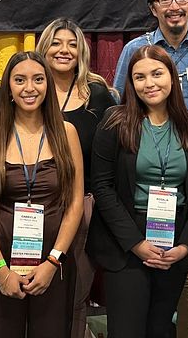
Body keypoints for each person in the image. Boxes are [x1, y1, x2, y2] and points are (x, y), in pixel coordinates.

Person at [112, 0, 188, 337]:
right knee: (141, 263)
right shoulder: (136, 50)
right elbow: (120, 102)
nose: (174, 6)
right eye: (165, 0)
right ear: (153, 8)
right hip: (141, 170)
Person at [89, 45, 188, 338]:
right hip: (126, 242)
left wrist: (186, 246)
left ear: (172, 76)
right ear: (131, 83)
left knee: (159, 329)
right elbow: (102, 187)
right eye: (140, 77)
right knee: (127, 331)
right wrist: (135, 243)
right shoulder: (114, 122)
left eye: (157, 74)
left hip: (174, 242)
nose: (149, 83)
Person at [0, 51, 84, 338]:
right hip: (0, 259)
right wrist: (0, 270)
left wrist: (53, 262)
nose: (29, 88)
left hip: (53, 261)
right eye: (20, 80)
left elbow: (74, 204)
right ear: (8, 87)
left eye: (38, 79)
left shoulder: (67, 133)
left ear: (48, 84)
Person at [36, 18, 117, 338]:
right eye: (56, 43)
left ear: (82, 51)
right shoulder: (30, 91)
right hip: (37, 206)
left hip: (85, 207)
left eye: (72, 44)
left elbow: (113, 156)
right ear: (44, 48)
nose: (64, 50)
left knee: (76, 290)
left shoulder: (98, 96)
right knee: (40, 287)